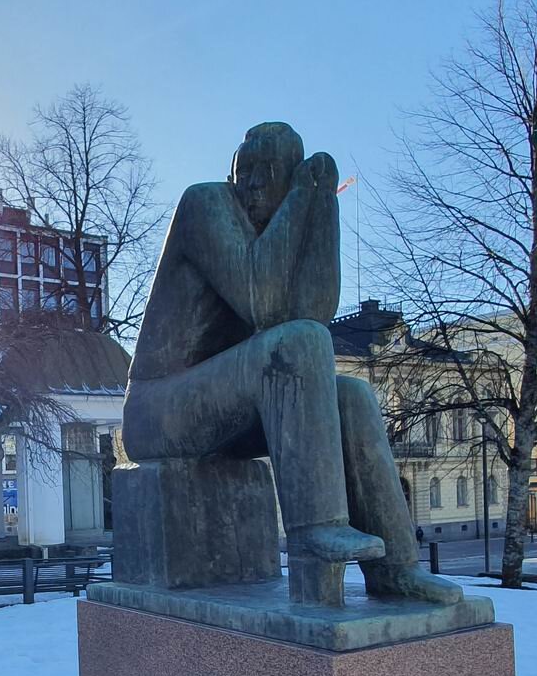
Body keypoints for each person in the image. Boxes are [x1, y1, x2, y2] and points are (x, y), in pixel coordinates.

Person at [121, 122, 460, 605]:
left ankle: (396, 569)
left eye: (270, 172)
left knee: (352, 395)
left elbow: (314, 311)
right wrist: (301, 197)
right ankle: (318, 530)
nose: (255, 185)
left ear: (290, 177)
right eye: (247, 170)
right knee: (297, 343)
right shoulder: (206, 204)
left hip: (224, 411)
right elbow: (264, 303)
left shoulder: (278, 230)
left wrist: (322, 205)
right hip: (158, 411)